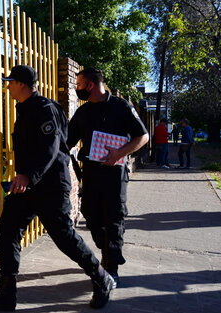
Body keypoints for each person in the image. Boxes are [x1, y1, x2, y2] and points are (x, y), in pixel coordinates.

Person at [0, 65, 114, 312]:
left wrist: (28, 175)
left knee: (64, 237)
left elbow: (51, 148)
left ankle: (102, 277)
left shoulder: (44, 109)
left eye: (11, 82)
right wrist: (25, 177)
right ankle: (6, 293)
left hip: (50, 186)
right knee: (7, 230)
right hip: (29, 187)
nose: (7, 86)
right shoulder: (27, 109)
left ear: (23, 85)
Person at [67, 68, 149, 287]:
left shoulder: (122, 107)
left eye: (79, 84)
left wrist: (119, 153)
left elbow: (143, 136)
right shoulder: (83, 113)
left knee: (114, 217)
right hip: (91, 173)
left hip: (115, 174)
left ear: (91, 85)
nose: (77, 88)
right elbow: (67, 140)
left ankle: (111, 267)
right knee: (91, 214)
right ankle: (107, 249)